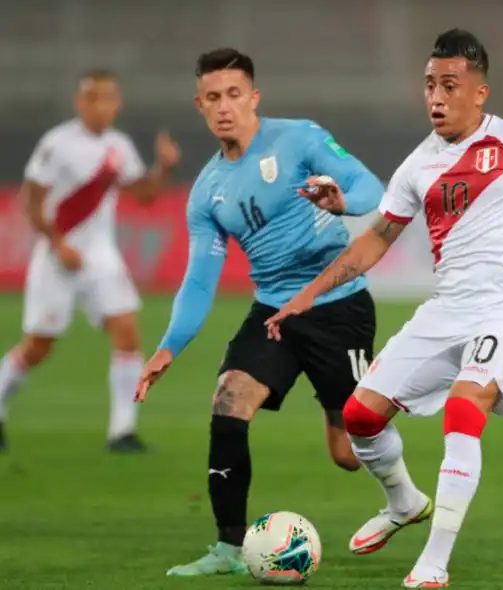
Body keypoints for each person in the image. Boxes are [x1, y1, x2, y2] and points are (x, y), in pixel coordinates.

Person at [265, 29, 503, 588]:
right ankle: (403, 501)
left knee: (462, 411)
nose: (436, 96)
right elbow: (377, 238)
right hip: (446, 309)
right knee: (359, 416)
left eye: (450, 85)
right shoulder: (417, 166)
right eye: (430, 84)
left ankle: (435, 560)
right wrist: (307, 295)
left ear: (480, 93)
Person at [134, 48, 384, 577]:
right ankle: (227, 547)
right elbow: (200, 279)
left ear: (253, 97)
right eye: (212, 98)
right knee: (228, 401)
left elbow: (370, 187)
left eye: (233, 94)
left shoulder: (298, 138)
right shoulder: (206, 192)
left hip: (338, 308)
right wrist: (168, 347)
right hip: (274, 313)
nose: (224, 107)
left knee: (347, 451)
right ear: (199, 105)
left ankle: (402, 489)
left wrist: (343, 203)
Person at [0, 69, 180, 453]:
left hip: (101, 258)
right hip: (57, 259)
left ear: (117, 103)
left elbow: (143, 194)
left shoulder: (118, 146)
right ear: (79, 102)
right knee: (38, 346)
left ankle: (122, 432)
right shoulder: (57, 144)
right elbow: (31, 200)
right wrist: (57, 242)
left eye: (109, 98)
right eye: (93, 97)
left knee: (127, 332)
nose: (101, 106)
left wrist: (164, 167)